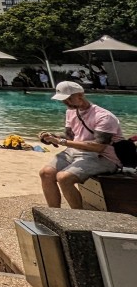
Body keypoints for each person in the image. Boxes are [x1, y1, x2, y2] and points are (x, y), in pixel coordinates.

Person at [38, 81, 124, 209]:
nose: (65, 103)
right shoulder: (71, 112)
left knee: (64, 178)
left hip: (104, 157)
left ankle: (79, 219)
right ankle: (54, 214)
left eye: (68, 99)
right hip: (75, 151)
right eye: (63, 100)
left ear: (80, 95)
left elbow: (98, 146)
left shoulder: (104, 117)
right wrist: (51, 137)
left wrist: (62, 142)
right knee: (45, 173)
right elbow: (70, 136)